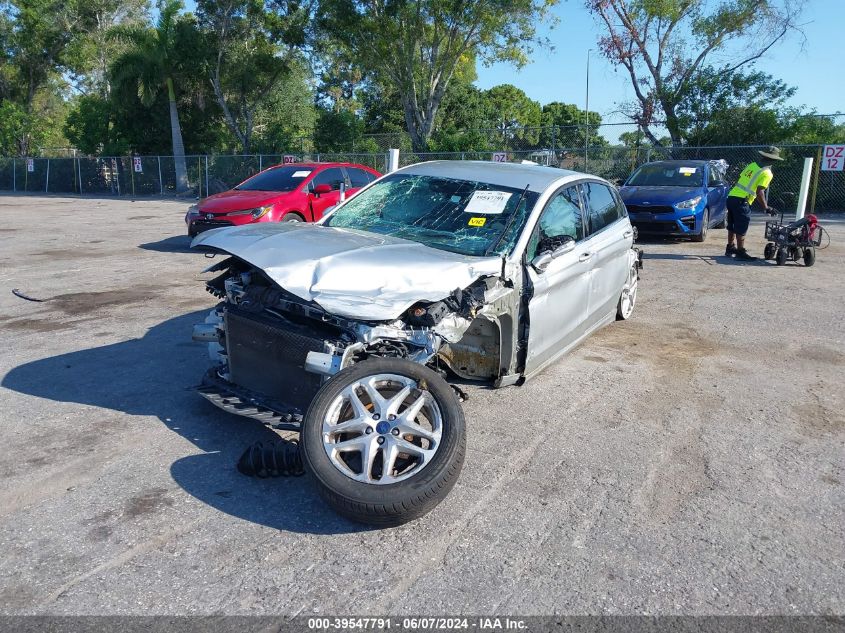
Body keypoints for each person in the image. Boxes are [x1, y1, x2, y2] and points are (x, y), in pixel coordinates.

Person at [725, 146, 783, 261]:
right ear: (774, 161)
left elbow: (742, 180)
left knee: (732, 225)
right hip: (742, 201)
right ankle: (740, 252)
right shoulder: (767, 173)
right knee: (741, 226)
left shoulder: (752, 165)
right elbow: (760, 191)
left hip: (731, 197)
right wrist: (765, 207)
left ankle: (730, 247)